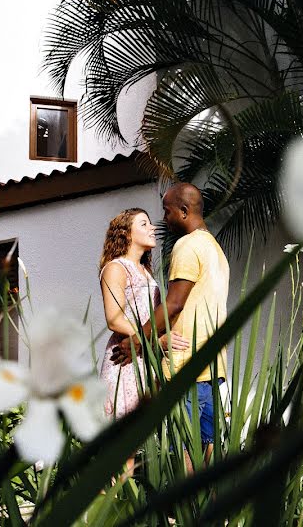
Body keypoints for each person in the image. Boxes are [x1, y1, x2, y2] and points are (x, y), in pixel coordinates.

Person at [111, 184, 230, 467]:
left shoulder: (187, 246)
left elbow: (174, 303)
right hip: (214, 368)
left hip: (185, 367)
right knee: (209, 453)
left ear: (184, 211)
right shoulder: (215, 250)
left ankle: (187, 512)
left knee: (186, 454)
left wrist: (139, 340)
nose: (164, 219)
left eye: (167, 211)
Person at [98, 208, 191, 476]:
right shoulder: (115, 268)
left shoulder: (146, 271)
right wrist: (157, 340)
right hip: (124, 360)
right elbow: (114, 320)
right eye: (144, 223)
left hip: (146, 360)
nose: (153, 228)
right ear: (126, 232)